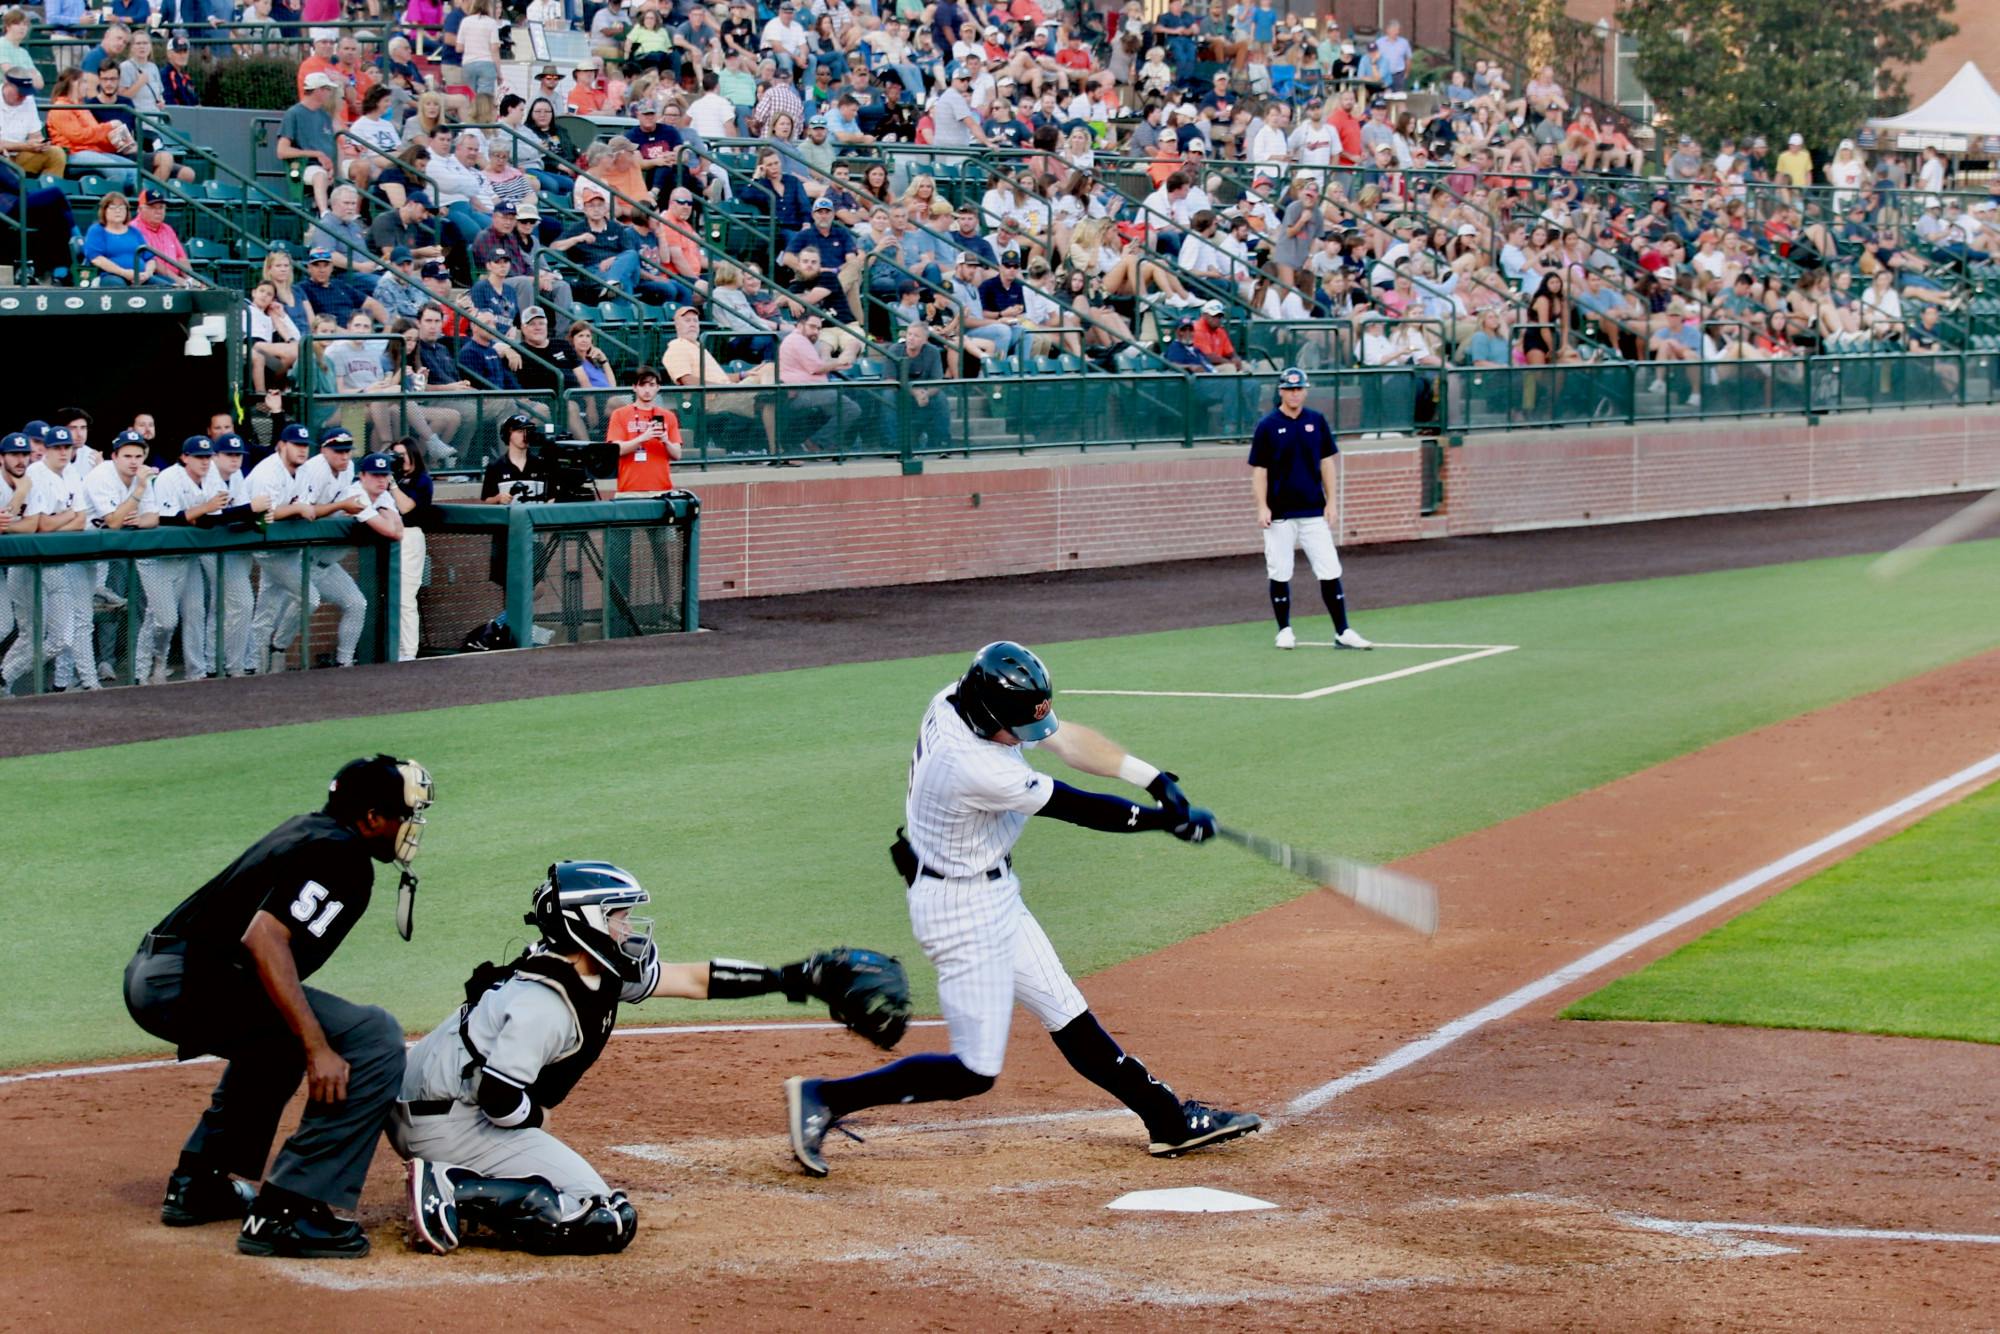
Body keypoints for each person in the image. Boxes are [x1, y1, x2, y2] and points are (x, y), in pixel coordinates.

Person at [785, 641, 1259, 1176]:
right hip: (959, 910)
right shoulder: (973, 766)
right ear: (990, 719)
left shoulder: (959, 698)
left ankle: (1166, 1121)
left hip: (990, 891)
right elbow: (1080, 809)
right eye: (1017, 730)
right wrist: (1164, 821)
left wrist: (1155, 780)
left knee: (1068, 1013)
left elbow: (1065, 739)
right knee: (974, 1070)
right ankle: (824, 1097)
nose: (1027, 738)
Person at [394, 862, 903, 1254]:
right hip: (447, 1125)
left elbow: (693, 979)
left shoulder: (593, 970)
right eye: (619, 916)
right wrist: (536, 1120)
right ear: (586, 921)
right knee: (605, 1219)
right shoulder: (543, 1006)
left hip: (436, 1103)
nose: (629, 927)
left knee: (584, 1198)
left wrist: (792, 978)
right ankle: (451, 1187)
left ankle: (463, 1181)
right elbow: (499, 1098)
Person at [121, 757, 434, 1259]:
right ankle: (291, 1210)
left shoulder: (312, 831)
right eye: (404, 815)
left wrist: (302, 1037)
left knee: (280, 1035)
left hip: (159, 972)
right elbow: (264, 938)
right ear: (373, 817)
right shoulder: (343, 856)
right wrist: (317, 1048)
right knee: (372, 1038)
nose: (410, 828)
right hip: (186, 979)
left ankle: (201, 1181)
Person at [1250, 367, 1371, 651]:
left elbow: (1327, 462)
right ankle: (1285, 630)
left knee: (1329, 569)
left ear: (1305, 390)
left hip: (1313, 510)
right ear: (1281, 391)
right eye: (1289, 389)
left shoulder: (1316, 421)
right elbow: (1259, 470)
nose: (1294, 393)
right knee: (1280, 570)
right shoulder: (1267, 425)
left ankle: (1342, 630)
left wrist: (1331, 502)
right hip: (1280, 511)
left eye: (1299, 388)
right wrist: (1262, 506)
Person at [284, 424, 372, 669]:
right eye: (338, 451)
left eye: (347, 451)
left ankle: (344, 663)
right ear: (323, 450)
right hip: (298, 561)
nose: (344, 456)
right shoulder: (313, 470)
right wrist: (342, 506)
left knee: (357, 603)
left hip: (326, 565)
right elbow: (307, 514)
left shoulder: (349, 467)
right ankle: (269, 662)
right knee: (273, 619)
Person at [244, 423, 318, 674]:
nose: (302, 450)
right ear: (281, 445)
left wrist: (296, 508)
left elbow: (309, 505)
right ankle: (277, 647)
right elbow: (264, 517)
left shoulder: (305, 471)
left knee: (267, 609)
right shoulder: (268, 471)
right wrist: (295, 509)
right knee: (310, 598)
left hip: (287, 548)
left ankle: (255, 664)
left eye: (305, 446)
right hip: (265, 547)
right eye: (297, 445)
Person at [608, 368, 682, 493]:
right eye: (642, 385)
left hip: (661, 490)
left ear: (658, 387)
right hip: (629, 490)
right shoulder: (619, 414)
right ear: (634, 387)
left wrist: (665, 441)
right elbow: (616, 450)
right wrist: (643, 438)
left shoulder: (668, 416)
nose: (647, 390)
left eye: (652, 385)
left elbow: (677, 454)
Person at [278, 72, 342, 214]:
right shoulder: (293, 113)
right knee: (320, 175)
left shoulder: (325, 116)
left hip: (325, 167)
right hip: (302, 165)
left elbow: (329, 146)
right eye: (327, 89)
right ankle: (324, 213)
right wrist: (315, 154)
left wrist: (331, 166)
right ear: (318, 90)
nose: (329, 93)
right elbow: (282, 151)